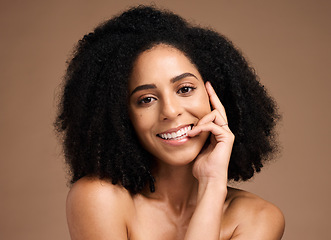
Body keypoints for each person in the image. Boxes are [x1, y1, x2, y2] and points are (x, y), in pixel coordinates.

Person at [55, 5, 285, 240]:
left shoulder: (259, 218)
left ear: (216, 94)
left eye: (185, 89)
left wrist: (212, 184)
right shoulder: (98, 199)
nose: (170, 111)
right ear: (122, 117)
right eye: (146, 99)